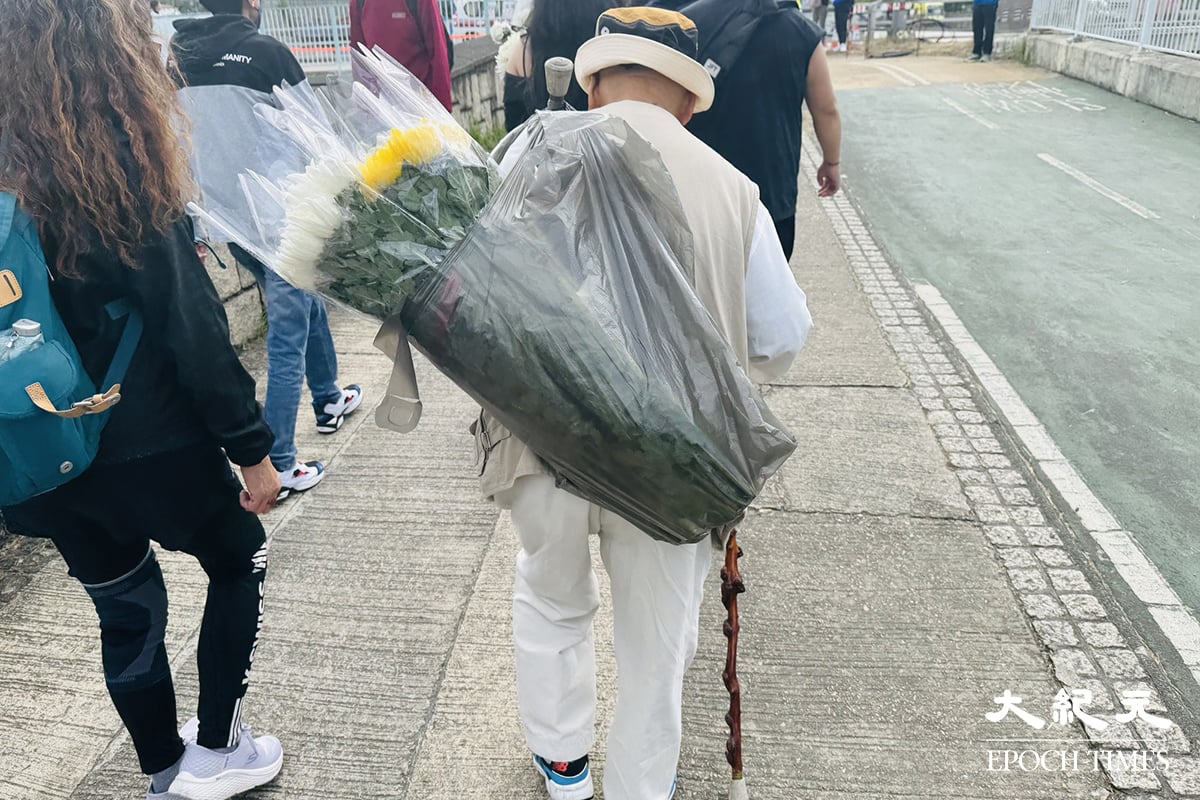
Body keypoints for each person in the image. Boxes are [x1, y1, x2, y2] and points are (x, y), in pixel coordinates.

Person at [480, 8, 811, 799]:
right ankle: (641, 785)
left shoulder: (522, 154)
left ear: (592, 84)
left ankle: (563, 765)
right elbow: (781, 338)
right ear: (691, 102)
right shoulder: (734, 190)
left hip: (542, 444)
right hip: (675, 463)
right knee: (657, 646)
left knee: (551, 597)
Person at [0, 1, 283, 799]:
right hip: (148, 436)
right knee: (239, 557)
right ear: (103, 49)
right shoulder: (110, 160)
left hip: (41, 451)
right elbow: (191, 326)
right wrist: (251, 449)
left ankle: (164, 768)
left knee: (124, 607)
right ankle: (220, 748)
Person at [173, 0, 364, 501]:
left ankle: (328, 398)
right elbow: (316, 134)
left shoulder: (177, 61)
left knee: (303, 302)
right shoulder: (266, 53)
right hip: (284, 215)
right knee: (286, 334)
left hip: (228, 220)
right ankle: (279, 461)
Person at [654, 0, 842, 260]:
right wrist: (831, 162)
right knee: (768, 277)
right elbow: (826, 109)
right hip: (772, 189)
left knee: (704, 278)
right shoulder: (802, 31)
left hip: (703, 190)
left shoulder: (691, 20)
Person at [501, 0, 631, 132]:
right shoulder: (616, 49)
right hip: (607, 142)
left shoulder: (524, 53)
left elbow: (514, 127)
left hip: (541, 143)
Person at [350, 0, 454, 110]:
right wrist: (366, 108)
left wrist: (442, 110)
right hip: (386, 107)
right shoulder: (357, 2)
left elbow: (438, 52)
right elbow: (359, 60)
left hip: (421, 102)